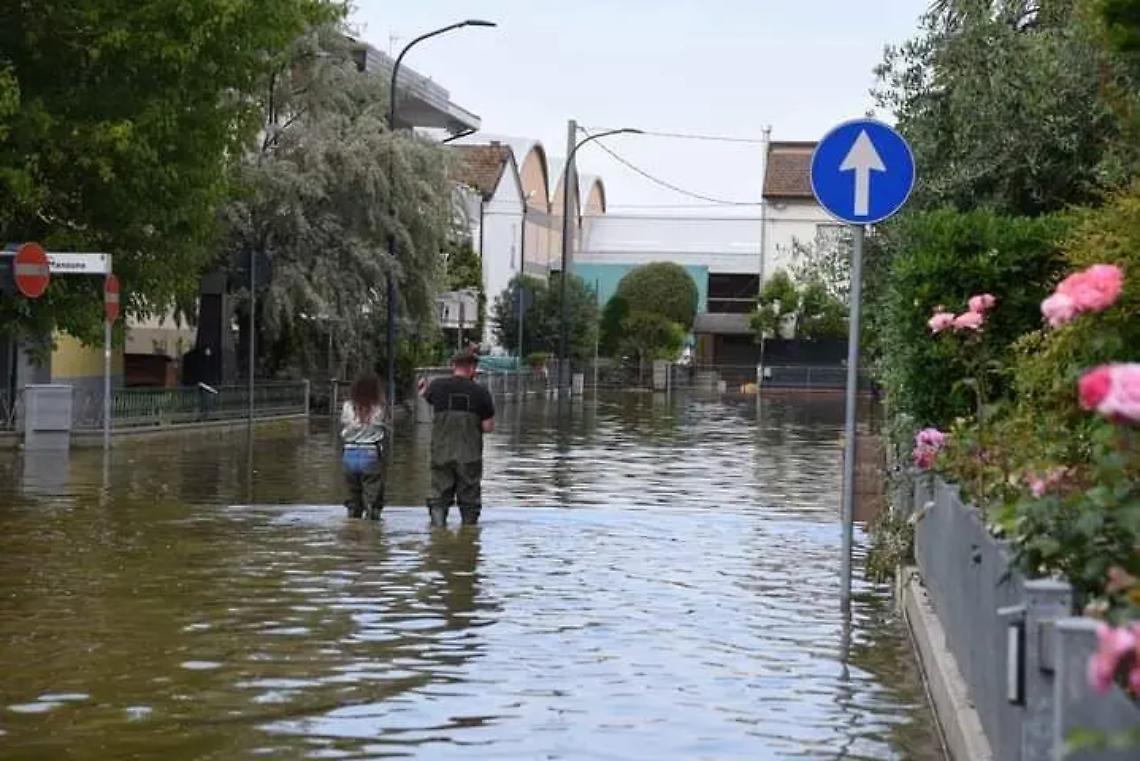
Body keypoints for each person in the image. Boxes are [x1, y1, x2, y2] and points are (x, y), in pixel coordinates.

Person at [418, 349, 495, 527]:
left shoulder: (437, 386)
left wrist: (422, 388)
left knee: (438, 495)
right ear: (472, 368)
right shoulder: (481, 393)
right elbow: (488, 427)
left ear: (453, 366)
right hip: (469, 455)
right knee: (469, 498)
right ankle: (468, 536)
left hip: (441, 453)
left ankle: (438, 532)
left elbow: (425, 394)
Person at [340, 373, 389, 520]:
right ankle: (373, 533)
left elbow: (344, 425)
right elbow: (385, 426)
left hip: (349, 454)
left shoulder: (347, 406)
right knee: (373, 501)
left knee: (353, 501)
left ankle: (353, 531)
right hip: (370, 454)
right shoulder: (379, 408)